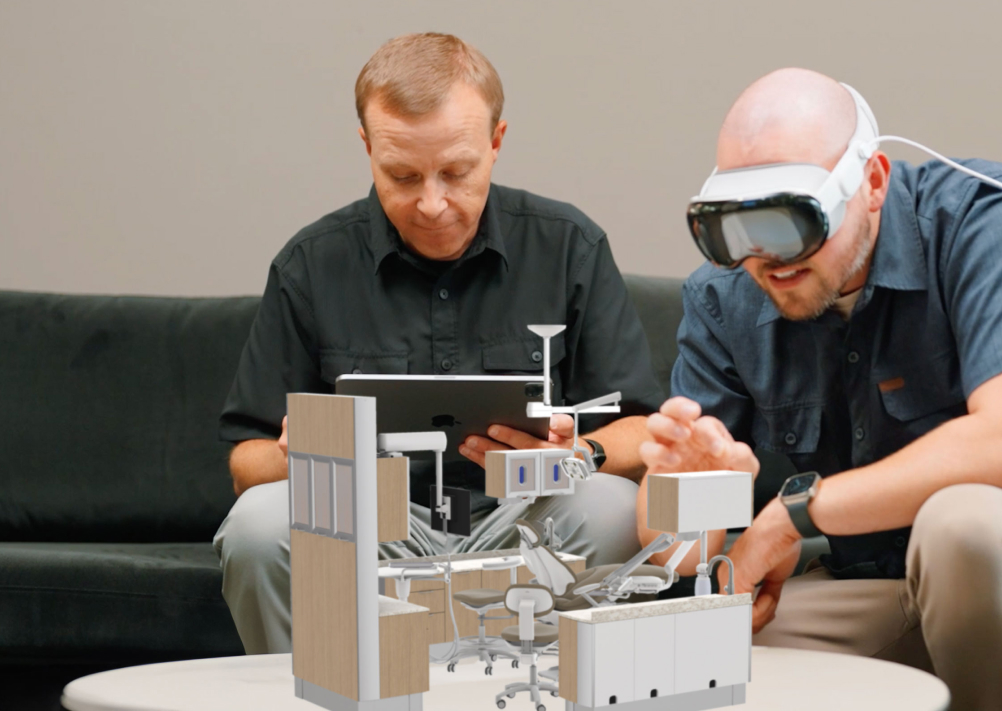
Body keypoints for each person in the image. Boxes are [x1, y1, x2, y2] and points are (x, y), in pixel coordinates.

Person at [637, 68, 1002, 711]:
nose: (767, 257)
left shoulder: (984, 217)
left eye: (793, 221)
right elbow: (673, 557)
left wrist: (794, 515)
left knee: (964, 525)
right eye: (736, 229)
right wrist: (686, 488)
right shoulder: (724, 298)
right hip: (879, 586)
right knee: (682, 658)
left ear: (871, 182)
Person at [214, 33, 664, 655]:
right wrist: (309, 455)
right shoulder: (311, 265)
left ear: (496, 142)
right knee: (260, 525)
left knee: (613, 506)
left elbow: (643, 432)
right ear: (368, 147)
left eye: (456, 172)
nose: (431, 204)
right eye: (402, 176)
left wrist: (575, 452)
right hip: (371, 520)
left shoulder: (569, 247)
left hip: (526, 518)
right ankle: (327, 691)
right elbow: (248, 465)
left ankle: (542, 685)